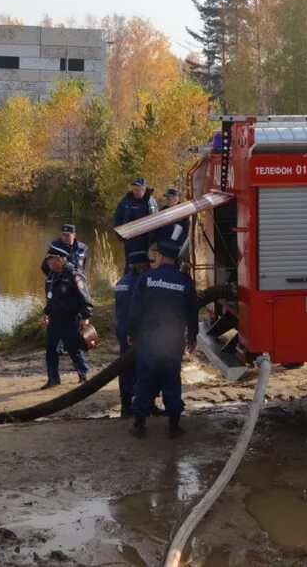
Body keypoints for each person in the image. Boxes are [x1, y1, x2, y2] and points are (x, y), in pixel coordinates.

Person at [127, 240, 198, 438]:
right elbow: (192, 312)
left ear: (160, 257)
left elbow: (135, 310)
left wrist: (132, 333)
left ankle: (139, 425)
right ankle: (173, 426)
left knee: (145, 379)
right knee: (171, 380)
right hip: (173, 341)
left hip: (149, 340)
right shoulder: (185, 281)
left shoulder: (147, 278)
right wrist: (192, 337)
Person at [41, 243, 92, 388]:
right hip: (55, 319)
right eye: (48, 259)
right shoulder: (51, 276)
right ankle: (53, 379)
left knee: (73, 348)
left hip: (71, 318)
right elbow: (50, 298)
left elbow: (85, 298)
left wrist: (85, 316)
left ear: (62, 259)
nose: (49, 262)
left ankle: (83, 375)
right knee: (51, 349)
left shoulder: (74, 274)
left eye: (52, 259)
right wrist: (46, 313)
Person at [114, 250, 152, 416]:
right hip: (137, 330)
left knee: (125, 367)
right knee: (143, 368)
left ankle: (125, 405)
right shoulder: (141, 283)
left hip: (122, 328)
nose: (150, 267)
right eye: (148, 264)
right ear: (141, 266)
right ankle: (144, 405)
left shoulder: (121, 281)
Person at [113, 177, 158, 255]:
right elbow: (117, 217)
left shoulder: (152, 202)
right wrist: (119, 235)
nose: (135, 192)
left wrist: (154, 238)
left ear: (144, 190)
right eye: (134, 190)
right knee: (130, 264)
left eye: (137, 190)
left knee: (144, 265)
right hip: (130, 240)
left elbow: (157, 220)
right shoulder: (126, 201)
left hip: (146, 241)